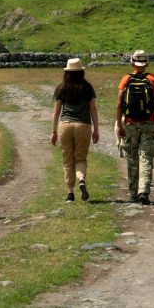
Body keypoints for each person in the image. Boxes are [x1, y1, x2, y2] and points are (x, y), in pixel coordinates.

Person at [116, 49, 154, 205]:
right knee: (146, 157)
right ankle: (144, 190)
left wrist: (120, 123)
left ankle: (133, 192)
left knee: (132, 157)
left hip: (130, 123)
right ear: (146, 63)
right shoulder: (153, 79)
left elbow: (119, 104)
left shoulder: (125, 80)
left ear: (132, 63)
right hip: (149, 122)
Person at [51, 58, 99, 202]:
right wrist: (96, 129)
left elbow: (56, 111)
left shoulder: (61, 88)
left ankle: (70, 193)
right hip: (83, 126)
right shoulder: (87, 88)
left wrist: (53, 131)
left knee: (67, 160)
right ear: (81, 72)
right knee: (80, 158)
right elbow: (93, 110)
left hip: (65, 126)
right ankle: (81, 179)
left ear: (67, 72)